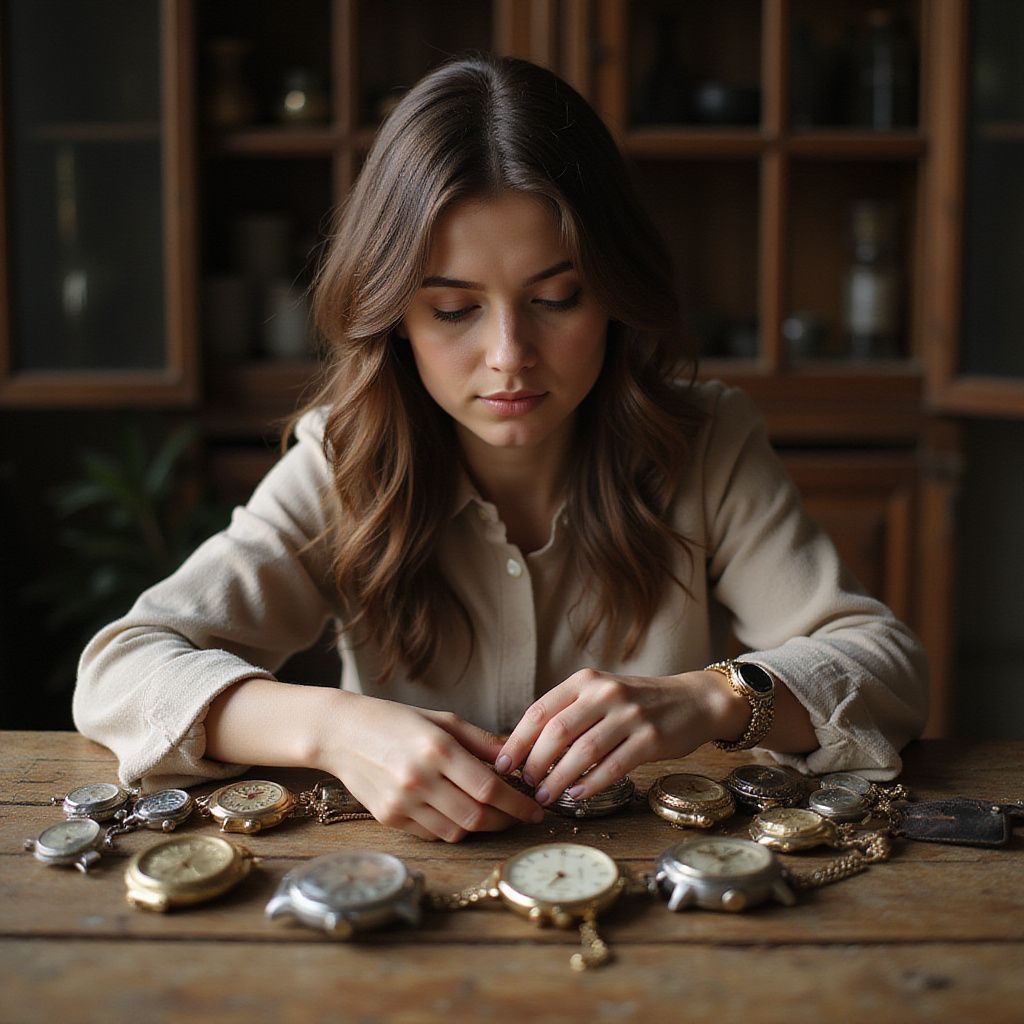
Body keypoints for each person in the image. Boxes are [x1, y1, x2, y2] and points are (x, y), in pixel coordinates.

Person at [73, 55, 928, 843]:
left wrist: (708, 699)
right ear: (393, 316)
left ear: (616, 296)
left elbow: (884, 667)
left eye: (557, 297)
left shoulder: (706, 445)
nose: (510, 355)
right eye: (453, 310)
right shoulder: (345, 462)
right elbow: (122, 669)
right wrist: (335, 727)